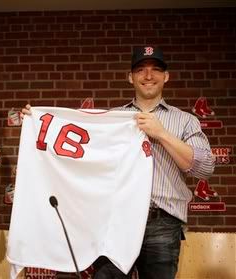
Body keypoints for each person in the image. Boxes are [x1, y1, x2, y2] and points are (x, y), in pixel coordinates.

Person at [21, 46, 215, 279]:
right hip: (116, 220)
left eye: (155, 70)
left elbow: (205, 169)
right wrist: (38, 122)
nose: (148, 76)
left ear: (166, 76)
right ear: (130, 77)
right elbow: (80, 155)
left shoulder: (185, 121)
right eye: (141, 70)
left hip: (161, 224)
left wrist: (162, 134)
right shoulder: (111, 119)